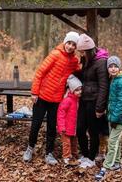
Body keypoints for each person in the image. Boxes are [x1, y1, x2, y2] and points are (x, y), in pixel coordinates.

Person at [23, 31, 80, 165]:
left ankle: (49, 153)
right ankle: (30, 148)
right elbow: (40, 73)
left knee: (51, 127)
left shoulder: (74, 61)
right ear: (65, 42)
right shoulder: (55, 54)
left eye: (74, 45)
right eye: (69, 43)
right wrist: (34, 93)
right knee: (36, 125)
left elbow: (79, 71)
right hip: (42, 97)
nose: (70, 46)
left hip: (57, 100)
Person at [95, 56, 122, 180]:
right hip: (113, 117)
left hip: (119, 119)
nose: (112, 68)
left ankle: (106, 167)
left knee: (112, 142)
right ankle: (117, 163)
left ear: (119, 67)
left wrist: (115, 118)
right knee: (116, 141)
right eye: (110, 66)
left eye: (115, 66)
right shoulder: (114, 80)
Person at [75, 34, 110, 168]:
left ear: (89, 50)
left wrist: (100, 108)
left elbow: (103, 86)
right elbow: (85, 77)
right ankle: (84, 155)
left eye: (83, 52)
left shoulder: (101, 62)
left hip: (94, 101)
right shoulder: (87, 60)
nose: (81, 54)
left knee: (93, 131)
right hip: (84, 99)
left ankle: (91, 157)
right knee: (80, 128)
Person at [57, 74, 82, 165]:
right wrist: (62, 126)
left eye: (80, 89)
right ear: (71, 90)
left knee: (74, 143)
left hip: (74, 127)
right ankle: (66, 157)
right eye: (77, 90)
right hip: (66, 127)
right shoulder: (67, 100)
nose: (79, 92)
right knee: (66, 143)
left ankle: (74, 155)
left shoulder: (77, 100)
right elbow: (61, 114)